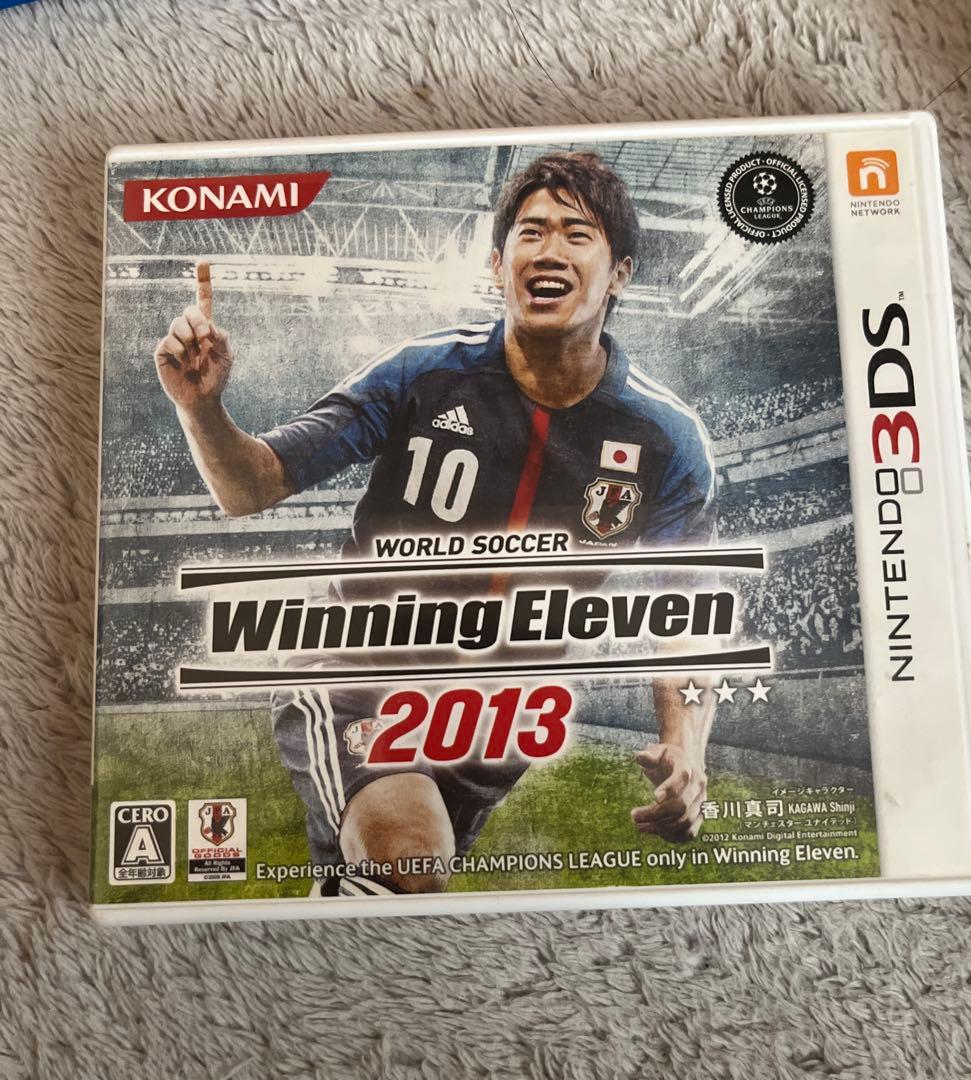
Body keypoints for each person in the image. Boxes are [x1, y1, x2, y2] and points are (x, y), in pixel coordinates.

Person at [155, 151, 716, 896]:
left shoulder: (667, 441)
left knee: (374, 887)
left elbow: (689, 616)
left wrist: (686, 745)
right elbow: (251, 485)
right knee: (412, 866)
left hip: (496, 726)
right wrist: (202, 410)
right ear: (498, 264)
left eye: (577, 234)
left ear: (620, 274)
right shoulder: (422, 374)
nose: (549, 249)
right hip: (362, 678)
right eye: (530, 232)